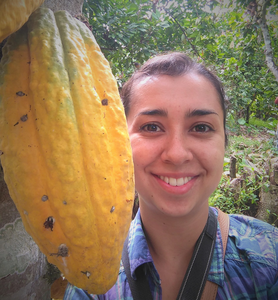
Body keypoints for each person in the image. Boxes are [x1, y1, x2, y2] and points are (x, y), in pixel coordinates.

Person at [64, 52, 278, 300]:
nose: (177, 155)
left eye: (201, 127)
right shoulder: (93, 282)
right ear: (118, 143)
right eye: (151, 127)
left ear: (224, 144)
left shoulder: (267, 258)